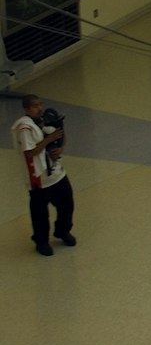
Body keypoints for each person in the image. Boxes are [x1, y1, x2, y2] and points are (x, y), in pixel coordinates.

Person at [11, 93, 75, 256]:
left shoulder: (46, 119)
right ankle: (41, 241)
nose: (39, 108)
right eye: (34, 106)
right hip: (38, 180)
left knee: (66, 204)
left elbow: (60, 134)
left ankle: (62, 231)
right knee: (40, 213)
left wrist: (60, 148)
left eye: (40, 104)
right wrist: (48, 140)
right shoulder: (24, 128)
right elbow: (30, 152)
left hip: (56, 173)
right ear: (27, 109)